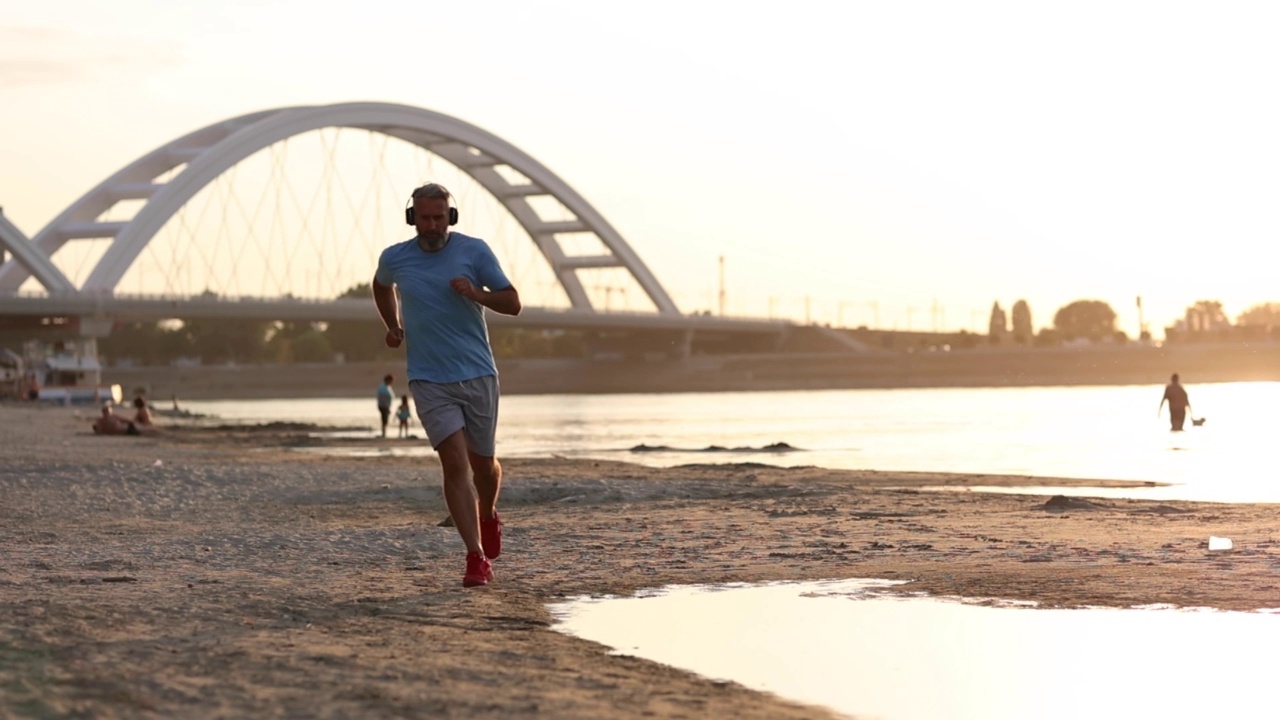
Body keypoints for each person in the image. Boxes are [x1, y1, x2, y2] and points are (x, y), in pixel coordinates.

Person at [373, 182, 522, 588]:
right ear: (413, 218)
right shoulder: (395, 258)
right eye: (425, 218)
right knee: (454, 463)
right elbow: (381, 285)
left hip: (477, 373)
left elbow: (513, 302)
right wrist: (393, 325)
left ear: (450, 217)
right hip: (428, 376)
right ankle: (475, 558)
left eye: (440, 217)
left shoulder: (474, 251)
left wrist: (476, 293)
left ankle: (488, 513)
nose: (433, 225)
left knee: (483, 466)